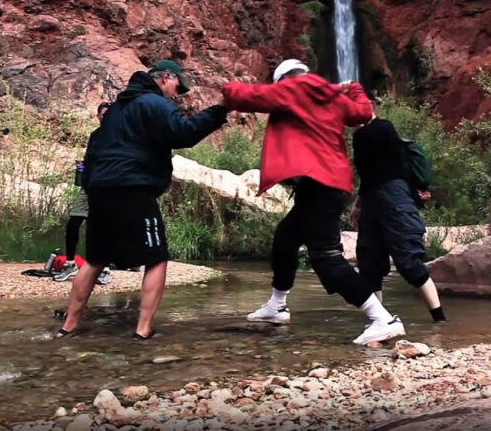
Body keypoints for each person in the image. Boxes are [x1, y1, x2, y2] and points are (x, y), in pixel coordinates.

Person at [221, 59, 405, 345]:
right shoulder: (331, 96)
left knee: (327, 259)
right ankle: (277, 305)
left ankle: (382, 318)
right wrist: (353, 87)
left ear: (283, 80)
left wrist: (225, 86)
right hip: (326, 185)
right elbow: (362, 112)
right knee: (285, 239)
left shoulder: (291, 90)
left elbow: (243, 96)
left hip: (319, 186)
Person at [57, 60, 227, 339]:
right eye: (176, 86)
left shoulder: (116, 110)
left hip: (100, 189)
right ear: (165, 77)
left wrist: (90, 187)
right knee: (156, 258)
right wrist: (220, 110)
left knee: (95, 260)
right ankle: (143, 329)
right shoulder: (154, 103)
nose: (176, 93)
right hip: (133, 187)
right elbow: (182, 134)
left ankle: (69, 327)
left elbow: (95, 150)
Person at [349, 114, 447, 323]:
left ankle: (439, 320)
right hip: (374, 200)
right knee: (369, 264)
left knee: (409, 263)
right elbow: (369, 176)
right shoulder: (371, 133)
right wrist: (358, 205)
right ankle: (380, 321)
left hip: (393, 199)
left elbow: (375, 173)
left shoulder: (379, 128)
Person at [54, 102, 113, 286]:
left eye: (109, 114)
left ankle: (104, 269)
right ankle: (70, 263)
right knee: (73, 223)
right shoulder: (95, 135)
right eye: (103, 114)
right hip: (89, 186)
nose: (106, 118)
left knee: (101, 228)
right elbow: (90, 159)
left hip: (107, 187)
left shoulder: (119, 134)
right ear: (98, 116)